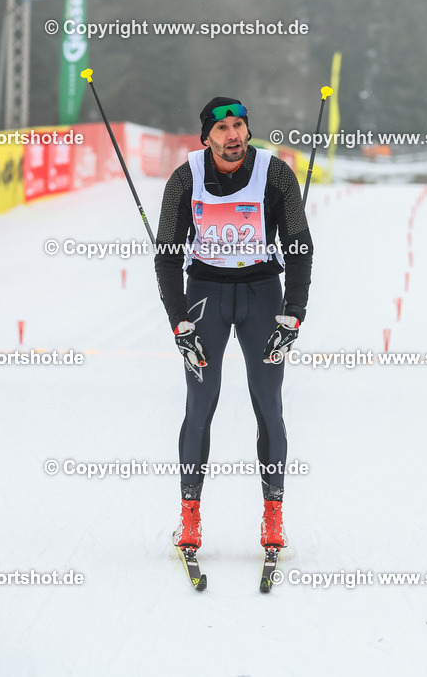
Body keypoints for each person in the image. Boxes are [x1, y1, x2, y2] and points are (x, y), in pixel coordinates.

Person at [153, 96, 314, 553]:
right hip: (206, 298)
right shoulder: (186, 178)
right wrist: (178, 320)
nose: (233, 136)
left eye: (240, 126)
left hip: (264, 296)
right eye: (222, 129)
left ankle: (274, 518)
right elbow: (166, 256)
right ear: (206, 137)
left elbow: (301, 247)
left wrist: (294, 314)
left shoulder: (275, 173)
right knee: (200, 405)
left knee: (269, 406)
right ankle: (189, 519)